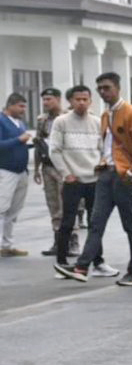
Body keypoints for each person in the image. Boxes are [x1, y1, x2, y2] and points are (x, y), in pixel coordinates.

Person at [55, 72, 132, 286]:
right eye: (99, 88)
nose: (102, 92)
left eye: (107, 87)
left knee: (130, 224)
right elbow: (108, 146)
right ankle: (82, 267)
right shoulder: (106, 115)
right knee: (95, 223)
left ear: (118, 88)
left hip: (123, 176)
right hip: (106, 173)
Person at [50, 85, 109, 277]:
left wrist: (102, 167)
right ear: (70, 101)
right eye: (78, 99)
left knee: (95, 222)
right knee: (67, 222)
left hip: (94, 180)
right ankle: (61, 263)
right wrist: (66, 173)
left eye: (85, 99)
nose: (81, 102)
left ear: (91, 101)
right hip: (73, 180)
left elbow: (103, 150)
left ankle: (98, 262)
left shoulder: (98, 121)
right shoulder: (61, 122)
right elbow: (55, 150)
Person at [34, 87, 67, 256]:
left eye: (49, 99)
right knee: (53, 205)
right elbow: (39, 144)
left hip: (64, 167)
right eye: (44, 100)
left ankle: (71, 242)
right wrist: (36, 169)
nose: (46, 103)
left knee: (67, 205)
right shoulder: (42, 120)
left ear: (58, 99)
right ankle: (58, 242)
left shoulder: (68, 117)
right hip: (48, 167)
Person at [0, 93, 32, 257]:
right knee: (1, 208)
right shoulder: (1, 121)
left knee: (14, 210)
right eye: (20, 106)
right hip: (6, 170)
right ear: (10, 106)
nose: (23, 110)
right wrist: (19, 140)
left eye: (24, 106)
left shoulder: (20, 123)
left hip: (21, 171)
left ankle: (7, 245)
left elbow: (21, 143)